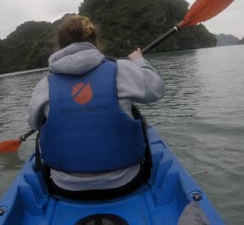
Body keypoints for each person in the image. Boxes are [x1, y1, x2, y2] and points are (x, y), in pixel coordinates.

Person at [26, 15, 165, 200]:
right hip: (126, 181)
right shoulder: (123, 69)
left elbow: (34, 124)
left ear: (59, 47)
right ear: (95, 43)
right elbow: (157, 89)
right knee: (135, 113)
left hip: (64, 186)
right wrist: (139, 62)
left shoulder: (44, 85)